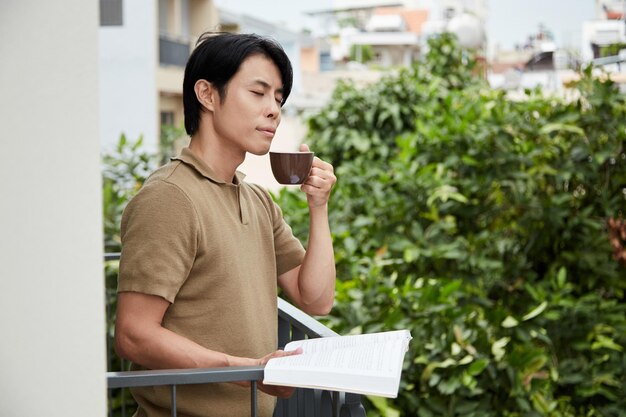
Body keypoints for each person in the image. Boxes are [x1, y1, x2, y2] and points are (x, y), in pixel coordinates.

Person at [115, 32, 337, 417]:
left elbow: (316, 298)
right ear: (207, 95)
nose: (273, 110)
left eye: (279, 98)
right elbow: (134, 335)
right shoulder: (169, 198)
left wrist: (319, 207)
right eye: (258, 92)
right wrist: (252, 372)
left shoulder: (256, 200)